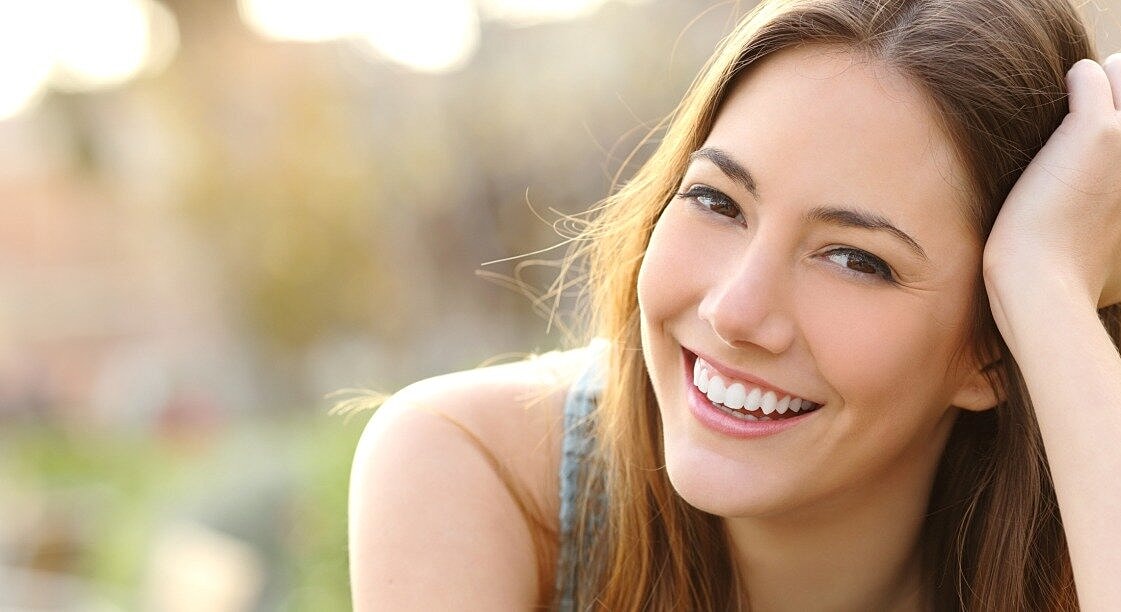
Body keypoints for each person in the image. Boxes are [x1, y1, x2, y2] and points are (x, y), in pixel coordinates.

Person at [347, 0, 1121, 608]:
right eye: (717, 202)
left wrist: (1048, 290)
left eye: (855, 259)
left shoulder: (1083, 532)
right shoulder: (480, 471)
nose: (734, 310)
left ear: (992, 349)